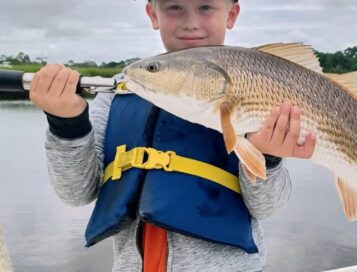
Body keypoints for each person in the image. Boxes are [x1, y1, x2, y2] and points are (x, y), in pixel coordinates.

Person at [28, 0, 317, 271]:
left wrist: (267, 157)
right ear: (153, 15)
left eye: (205, 7)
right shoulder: (119, 93)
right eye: (174, 7)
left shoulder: (257, 90)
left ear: (231, 14)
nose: (191, 23)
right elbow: (76, 193)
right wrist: (67, 124)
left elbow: (269, 206)